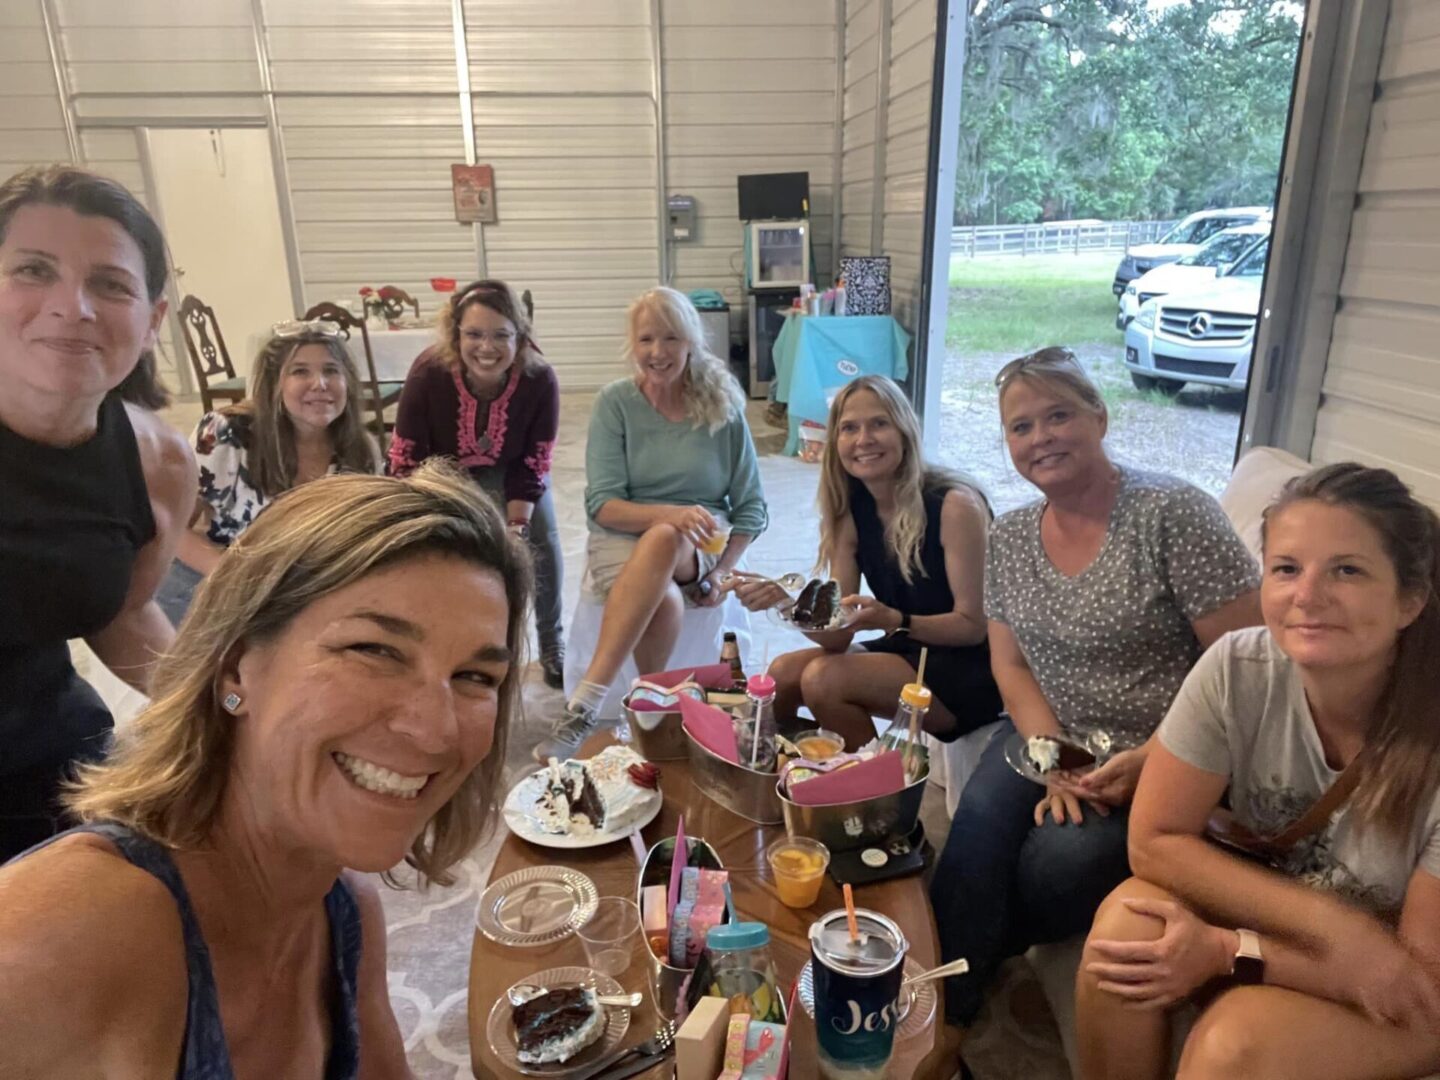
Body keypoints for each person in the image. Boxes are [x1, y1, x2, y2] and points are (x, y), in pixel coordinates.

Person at [0, 462, 529, 1077]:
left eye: (474, 677)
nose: (434, 729)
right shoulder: (69, 934)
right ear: (235, 667)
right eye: (374, 650)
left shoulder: (347, 915)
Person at [931, 347, 1262, 1029]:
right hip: (1047, 733)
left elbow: (1251, 672)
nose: (1040, 437)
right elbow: (1011, 667)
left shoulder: (1173, 515)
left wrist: (1158, 764)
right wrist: (1052, 760)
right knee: (974, 838)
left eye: (1058, 415)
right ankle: (941, 1012)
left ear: (1099, 416)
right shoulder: (1013, 535)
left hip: (1168, 757)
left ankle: (989, 963)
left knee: (1058, 863)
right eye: (1020, 427)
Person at [1077, 463, 1440, 1080]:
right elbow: (1154, 839)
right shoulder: (1237, 668)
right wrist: (1333, 929)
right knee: (1126, 933)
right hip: (1325, 928)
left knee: (1236, 1041)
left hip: (1413, 986)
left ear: (1410, 600)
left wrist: (1230, 953)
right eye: (1287, 569)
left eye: (1347, 570)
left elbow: (1414, 976)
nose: (1308, 595)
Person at [0, 165, 196, 861]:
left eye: (110, 284)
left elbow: (121, 610)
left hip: (50, 771)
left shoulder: (159, 465)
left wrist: (218, 710)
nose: (72, 306)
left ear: (152, 322)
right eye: (33, 270)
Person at [535, 285, 768, 762]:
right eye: (646, 340)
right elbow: (603, 503)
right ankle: (650, 714)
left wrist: (723, 570)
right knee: (660, 589)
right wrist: (669, 514)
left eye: (670, 339)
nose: (657, 353)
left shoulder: (723, 405)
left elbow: (751, 506)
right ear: (632, 344)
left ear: (691, 343)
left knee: (666, 537)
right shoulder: (615, 403)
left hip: (700, 541)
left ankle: (586, 704)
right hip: (622, 535)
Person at [730, 374, 1004, 750]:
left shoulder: (955, 505)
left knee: (824, 680)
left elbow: (973, 627)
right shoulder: (849, 510)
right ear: (835, 441)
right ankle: (789, 777)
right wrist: (786, 602)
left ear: (905, 430)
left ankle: (878, 799)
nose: (863, 440)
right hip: (909, 648)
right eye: (849, 428)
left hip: (971, 668)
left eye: (879, 423)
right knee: (783, 674)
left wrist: (894, 620)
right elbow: (838, 636)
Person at [388, 279, 565, 687]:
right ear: (456, 335)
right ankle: (452, 642)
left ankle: (551, 641)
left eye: (501, 335)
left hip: (510, 469)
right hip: (441, 472)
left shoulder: (540, 380)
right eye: (474, 334)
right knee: (442, 548)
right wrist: (423, 516)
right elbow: (406, 457)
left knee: (542, 535)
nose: (487, 347)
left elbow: (533, 463)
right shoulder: (428, 372)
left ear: (520, 338)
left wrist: (518, 524)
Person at [157, 321, 380, 624]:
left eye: (331, 370)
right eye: (300, 371)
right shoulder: (224, 433)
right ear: (275, 384)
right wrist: (238, 580)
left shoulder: (359, 450)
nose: (320, 383)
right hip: (217, 574)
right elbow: (173, 527)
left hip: (300, 584)